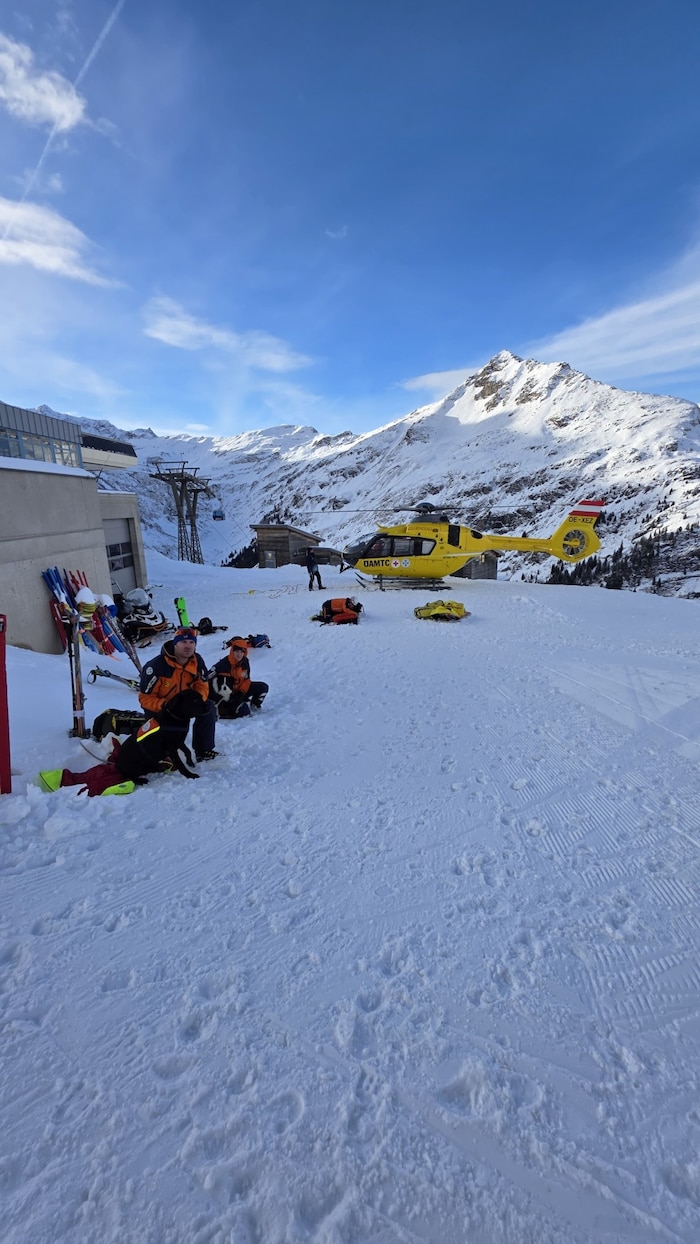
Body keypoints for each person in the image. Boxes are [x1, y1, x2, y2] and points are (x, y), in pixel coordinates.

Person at [139, 626, 218, 761]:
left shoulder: (197, 661)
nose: (187, 646)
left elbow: (202, 685)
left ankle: (203, 749)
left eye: (191, 642)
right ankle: (160, 754)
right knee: (155, 742)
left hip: (184, 706)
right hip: (162, 708)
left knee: (208, 707)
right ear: (175, 644)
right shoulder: (156, 667)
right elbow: (145, 698)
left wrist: (196, 701)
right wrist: (166, 706)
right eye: (183, 642)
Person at [208, 637, 269, 718]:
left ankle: (254, 706)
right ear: (232, 651)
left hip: (239, 692)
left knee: (263, 687)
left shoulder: (245, 662)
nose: (239, 654)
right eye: (236, 651)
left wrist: (241, 693)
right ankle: (224, 711)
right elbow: (207, 677)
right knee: (244, 711)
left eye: (241, 651)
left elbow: (246, 680)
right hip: (227, 695)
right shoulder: (223, 664)